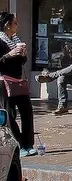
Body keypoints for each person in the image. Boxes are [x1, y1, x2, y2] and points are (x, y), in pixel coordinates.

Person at [0, 12, 35, 156]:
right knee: (10, 115)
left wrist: (22, 54)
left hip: (18, 80)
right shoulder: (1, 41)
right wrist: (10, 54)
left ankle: (28, 144)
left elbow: (21, 62)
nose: (17, 25)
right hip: (4, 81)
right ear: (7, 25)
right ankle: (19, 145)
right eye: (15, 22)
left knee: (27, 112)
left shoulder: (15, 39)